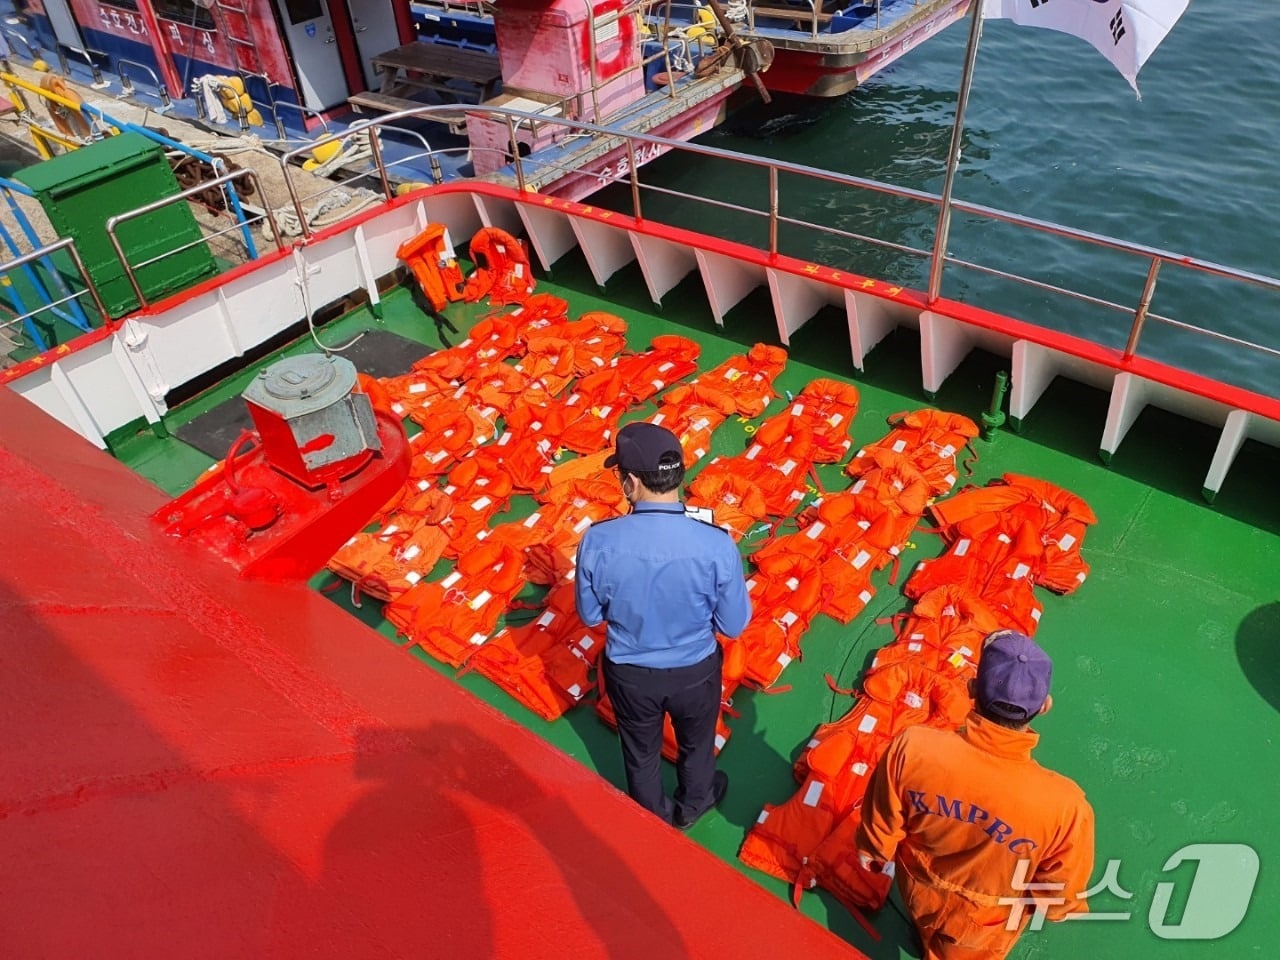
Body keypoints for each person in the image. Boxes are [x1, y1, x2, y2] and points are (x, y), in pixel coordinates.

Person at [855, 629, 1095, 960]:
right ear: (1045, 706)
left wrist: (874, 852)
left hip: (918, 891)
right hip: (983, 925)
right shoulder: (1066, 806)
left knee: (923, 928)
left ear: (970, 688)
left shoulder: (914, 747)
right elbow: (1058, 895)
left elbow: (880, 827)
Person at [575, 421, 752, 829]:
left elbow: (589, 615)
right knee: (697, 742)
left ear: (631, 483)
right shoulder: (716, 542)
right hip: (695, 671)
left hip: (631, 674)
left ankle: (651, 818)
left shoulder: (597, 541)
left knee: (640, 751)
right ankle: (694, 802)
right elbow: (734, 623)